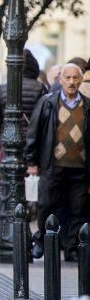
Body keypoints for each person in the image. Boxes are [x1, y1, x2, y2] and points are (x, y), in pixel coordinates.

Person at [25, 63, 90, 262]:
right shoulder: (48, 103)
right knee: (45, 206)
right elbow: (33, 132)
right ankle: (41, 243)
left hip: (80, 167)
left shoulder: (87, 105)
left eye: (75, 78)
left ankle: (71, 248)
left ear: (81, 80)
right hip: (51, 165)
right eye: (67, 78)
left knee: (77, 210)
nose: (71, 82)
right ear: (60, 80)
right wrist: (32, 161)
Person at [0, 49, 48, 150]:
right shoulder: (41, 88)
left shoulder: (2, 88)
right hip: (33, 143)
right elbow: (46, 119)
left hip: (7, 141)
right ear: (34, 67)